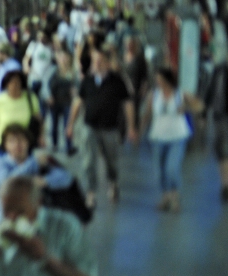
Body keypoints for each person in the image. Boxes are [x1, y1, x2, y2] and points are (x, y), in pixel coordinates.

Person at [67, 47, 137, 208]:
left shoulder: (117, 81)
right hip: (89, 126)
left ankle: (113, 182)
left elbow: (127, 105)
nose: (97, 64)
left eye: (100, 61)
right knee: (88, 161)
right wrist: (70, 124)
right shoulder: (87, 81)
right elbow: (78, 103)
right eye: (94, 61)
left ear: (107, 63)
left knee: (111, 160)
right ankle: (91, 192)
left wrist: (131, 127)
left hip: (110, 128)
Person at [141, 68, 198, 212]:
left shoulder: (180, 94)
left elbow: (199, 106)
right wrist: (138, 131)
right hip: (158, 137)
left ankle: (175, 196)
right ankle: (165, 196)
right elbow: (147, 114)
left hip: (177, 137)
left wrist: (187, 108)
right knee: (159, 170)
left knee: (171, 168)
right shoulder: (153, 95)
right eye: (156, 79)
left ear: (167, 80)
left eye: (160, 79)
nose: (157, 82)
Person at [0, 124, 74, 217]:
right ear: (5, 145)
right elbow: (7, 182)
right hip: (6, 216)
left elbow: (66, 178)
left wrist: (45, 181)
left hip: (36, 215)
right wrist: (33, 169)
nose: (17, 144)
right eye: (11, 141)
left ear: (28, 142)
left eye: (21, 139)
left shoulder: (39, 160)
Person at [0, 71, 41, 164]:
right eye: (11, 83)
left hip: (24, 145)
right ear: (6, 85)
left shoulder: (30, 99)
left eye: (17, 83)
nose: (14, 86)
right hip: (2, 144)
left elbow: (39, 120)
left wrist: (41, 136)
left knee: (24, 173)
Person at [42, 49, 79, 154]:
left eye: (65, 57)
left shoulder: (72, 72)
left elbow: (77, 86)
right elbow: (45, 84)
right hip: (54, 102)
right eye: (61, 57)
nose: (63, 60)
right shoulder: (52, 70)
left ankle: (69, 146)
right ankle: (54, 144)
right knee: (54, 124)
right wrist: (48, 96)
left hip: (67, 102)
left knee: (68, 124)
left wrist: (75, 93)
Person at [203, 50, 228, 203]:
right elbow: (210, 90)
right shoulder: (219, 69)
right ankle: (225, 184)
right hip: (220, 114)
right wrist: (204, 112)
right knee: (221, 149)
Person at [22, 29, 54, 116]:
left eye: (43, 37)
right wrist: (26, 67)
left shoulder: (51, 47)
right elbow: (26, 58)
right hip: (34, 78)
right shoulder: (34, 45)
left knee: (43, 105)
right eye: (39, 37)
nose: (41, 39)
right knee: (33, 102)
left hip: (46, 80)